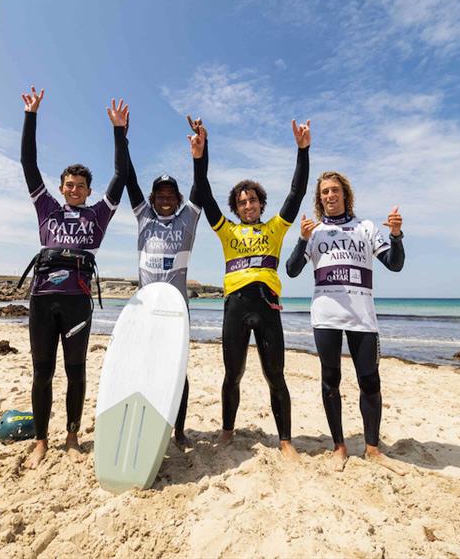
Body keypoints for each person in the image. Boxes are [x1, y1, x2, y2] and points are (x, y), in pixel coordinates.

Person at [19, 87, 129, 469]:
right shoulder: (47, 208)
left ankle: (71, 436)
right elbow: (28, 164)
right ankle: (40, 440)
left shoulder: (98, 215)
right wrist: (31, 116)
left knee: (76, 370)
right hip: (43, 300)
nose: (74, 190)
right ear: (62, 186)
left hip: (77, 302)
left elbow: (121, 174)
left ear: (88, 191)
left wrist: (119, 131)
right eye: (68, 185)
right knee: (42, 371)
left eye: (80, 186)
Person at [192, 118, 311, 460]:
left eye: (253, 200)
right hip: (236, 307)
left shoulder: (275, 228)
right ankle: (227, 430)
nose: (248, 205)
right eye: (242, 202)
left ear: (261, 203)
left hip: (267, 306)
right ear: (236, 207)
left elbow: (297, 192)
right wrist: (201, 152)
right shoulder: (226, 230)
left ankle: (286, 440)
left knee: (275, 374)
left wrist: (303, 151)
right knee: (233, 374)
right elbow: (202, 191)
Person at [285, 171, 405, 474]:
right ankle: (339, 446)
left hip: (362, 318)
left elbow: (394, 264)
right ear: (319, 198)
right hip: (326, 317)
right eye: (324, 192)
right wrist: (302, 239)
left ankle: (373, 449)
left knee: (369, 381)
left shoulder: (365, 227)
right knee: (330, 381)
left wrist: (395, 235)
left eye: (334, 190)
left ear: (345, 194)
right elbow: (291, 270)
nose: (329, 196)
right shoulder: (316, 232)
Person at [123, 116, 207, 446]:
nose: (166, 197)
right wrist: (122, 139)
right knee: (143, 367)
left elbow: (201, 184)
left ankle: (180, 430)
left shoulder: (188, 218)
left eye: (171, 193)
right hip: (145, 311)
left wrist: (201, 150)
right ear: (153, 197)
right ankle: (144, 422)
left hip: (176, 312)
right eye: (160, 193)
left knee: (177, 371)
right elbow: (128, 179)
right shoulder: (143, 216)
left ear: (178, 196)